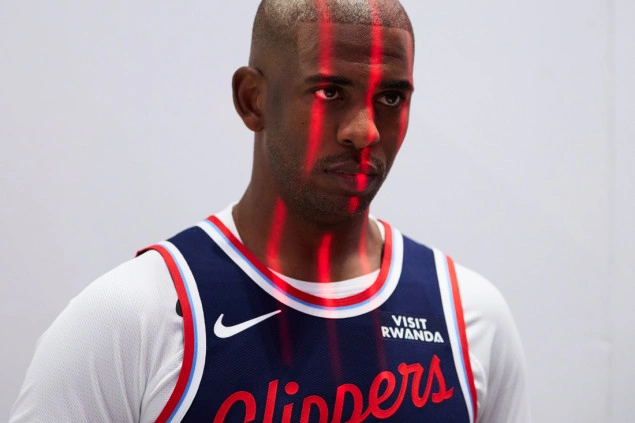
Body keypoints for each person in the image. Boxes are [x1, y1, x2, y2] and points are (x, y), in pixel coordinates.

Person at [10, 0, 531, 422]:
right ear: (253, 99)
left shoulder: (469, 317)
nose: (364, 130)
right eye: (330, 91)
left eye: (391, 98)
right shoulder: (133, 318)